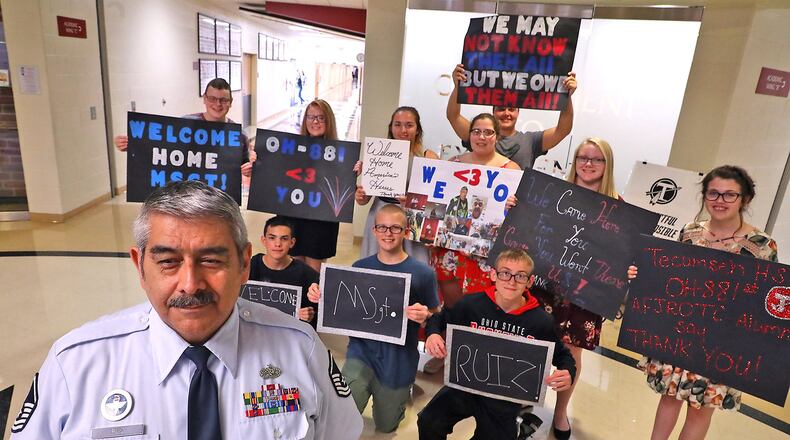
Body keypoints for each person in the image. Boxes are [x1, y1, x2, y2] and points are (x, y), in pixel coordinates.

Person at [9, 181, 362, 439]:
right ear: (139, 266)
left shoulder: (301, 349)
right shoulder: (75, 364)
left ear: (243, 264)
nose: (191, 284)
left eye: (211, 260)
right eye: (168, 261)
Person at [628, 165, 778, 440]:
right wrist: (642, 275)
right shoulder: (690, 232)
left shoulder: (762, 245)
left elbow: (767, 301)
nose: (720, 201)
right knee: (669, 396)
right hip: (680, 329)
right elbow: (670, 277)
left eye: (729, 195)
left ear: (744, 199)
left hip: (722, 342)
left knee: (701, 407)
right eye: (713, 193)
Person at [308, 204, 440, 433]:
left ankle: (400, 393)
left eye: (395, 228)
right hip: (361, 351)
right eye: (382, 227)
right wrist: (321, 297)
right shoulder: (360, 267)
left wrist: (426, 317)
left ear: (406, 231)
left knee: (387, 425)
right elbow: (345, 306)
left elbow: (436, 313)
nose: (388, 233)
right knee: (343, 412)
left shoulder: (423, 273)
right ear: (374, 230)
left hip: (398, 358)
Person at [417, 249, 576, 439]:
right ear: (493, 275)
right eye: (505, 273)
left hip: (504, 397)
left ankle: (520, 429)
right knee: (428, 421)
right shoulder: (471, 305)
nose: (511, 281)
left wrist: (567, 371)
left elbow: (563, 355)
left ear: (530, 281)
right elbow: (439, 319)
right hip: (464, 386)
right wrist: (433, 334)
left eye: (520, 276)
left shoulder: (540, 321)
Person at [529, 137, 620, 439]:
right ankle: (524, 399)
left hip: (585, 293)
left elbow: (622, 256)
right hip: (546, 284)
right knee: (534, 342)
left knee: (572, 352)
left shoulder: (619, 209)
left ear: (606, 165)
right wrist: (519, 208)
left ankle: (560, 411)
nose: (588, 164)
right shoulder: (556, 194)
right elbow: (533, 228)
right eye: (583, 157)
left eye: (596, 159)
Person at [433, 113, 519, 309]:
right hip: (451, 250)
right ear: (469, 135)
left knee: (479, 310)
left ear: (497, 136)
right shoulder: (453, 164)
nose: (481, 137)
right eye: (477, 131)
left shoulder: (511, 170)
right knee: (451, 308)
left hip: (486, 254)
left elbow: (518, 219)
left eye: (488, 132)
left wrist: (512, 207)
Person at [114, 78, 256, 178]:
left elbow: (244, 164)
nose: (218, 104)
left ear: (230, 102)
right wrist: (133, 145)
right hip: (188, 198)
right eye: (212, 98)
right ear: (204, 99)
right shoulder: (184, 125)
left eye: (223, 100)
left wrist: (249, 169)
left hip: (221, 201)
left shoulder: (238, 135)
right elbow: (160, 148)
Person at [446, 63, 577, 170]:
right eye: (501, 109)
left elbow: (563, 130)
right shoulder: (479, 135)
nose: (506, 113)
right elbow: (453, 116)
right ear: (493, 111)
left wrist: (567, 96)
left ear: (518, 112)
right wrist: (458, 87)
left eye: (511, 109)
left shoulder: (531, 141)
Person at [356, 106, 439, 264]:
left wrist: (412, 202)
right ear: (391, 128)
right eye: (398, 124)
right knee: (376, 266)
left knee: (415, 266)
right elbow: (364, 200)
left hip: (412, 218)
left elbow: (437, 199)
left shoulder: (428, 157)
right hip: (381, 213)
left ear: (417, 129)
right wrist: (361, 195)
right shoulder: (379, 153)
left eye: (409, 125)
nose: (403, 130)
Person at [279, 99, 345, 273]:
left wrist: (353, 171)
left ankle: (312, 301)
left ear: (329, 120)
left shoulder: (340, 153)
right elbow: (275, 171)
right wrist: (260, 161)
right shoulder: (292, 148)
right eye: (311, 117)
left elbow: (341, 187)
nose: (315, 122)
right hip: (294, 215)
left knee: (313, 273)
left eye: (321, 118)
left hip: (320, 220)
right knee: (294, 268)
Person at [249, 216, 320, 328]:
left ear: (292, 242)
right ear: (264, 240)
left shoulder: (306, 274)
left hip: (289, 333)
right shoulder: (250, 267)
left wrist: (310, 315)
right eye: (272, 238)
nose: (278, 244)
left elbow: (318, 312)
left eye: (284, 238)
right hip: (255, 329)